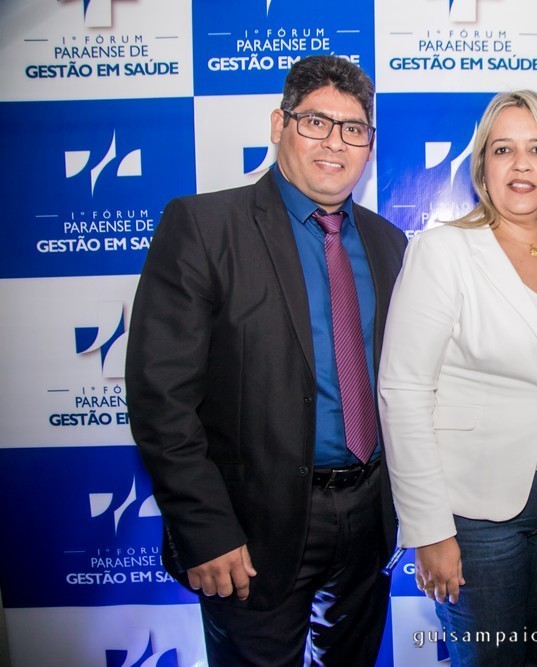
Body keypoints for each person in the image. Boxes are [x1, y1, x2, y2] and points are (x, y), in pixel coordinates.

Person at [125, 55, 406, 666]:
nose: (335, 143)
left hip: (370, 517)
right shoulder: (204, 226)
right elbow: (160, 398)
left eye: (354, 129)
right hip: (250, 530)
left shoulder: (389, 242)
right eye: (316, 122)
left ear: (369, 143)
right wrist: (205, 530)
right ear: (279, 125)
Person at [378, 90, 537, 666]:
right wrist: (429, 529)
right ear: (482, 168)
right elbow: (403, 392)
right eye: (504, 149)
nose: (521, 164)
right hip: (475, 512)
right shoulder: (443, 251)